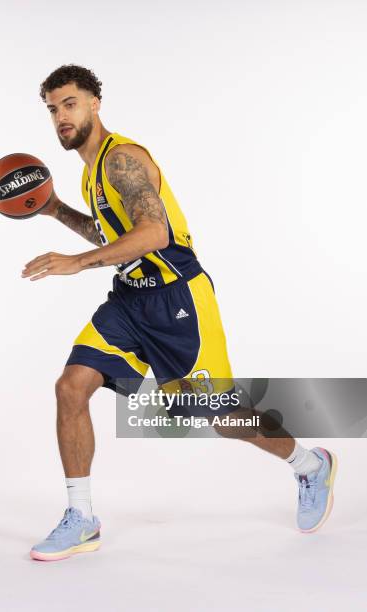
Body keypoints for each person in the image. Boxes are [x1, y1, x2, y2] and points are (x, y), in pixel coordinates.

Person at [21, 64, 337, 562]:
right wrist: (55, 208)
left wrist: (77, 264)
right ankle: (82, 518)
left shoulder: (120, 159)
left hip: (176, 298)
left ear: (95, 104)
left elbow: (154, 236)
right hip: (129, 299)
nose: (62, 116)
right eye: (53, 109)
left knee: (222, 416)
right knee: (71, 386)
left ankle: (309, 465)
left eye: (70, 103)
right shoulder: (90, 175)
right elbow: (115, 239)